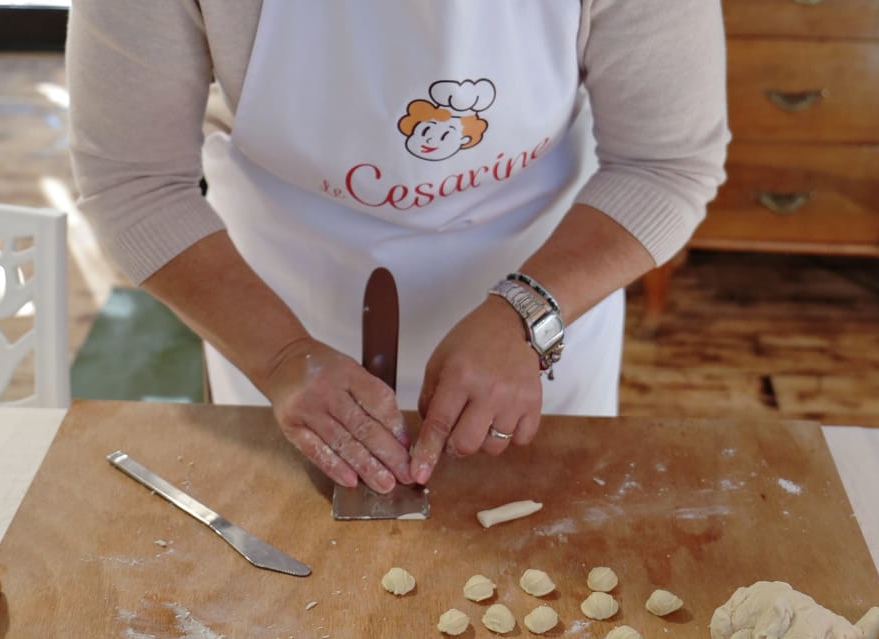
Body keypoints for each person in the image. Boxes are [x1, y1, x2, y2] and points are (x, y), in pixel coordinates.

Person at [66, 1, 729, 494]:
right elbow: (134, 181)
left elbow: (664, 163)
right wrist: (279, 354)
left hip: (543, 312)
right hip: (278, 312)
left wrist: (528, 314)